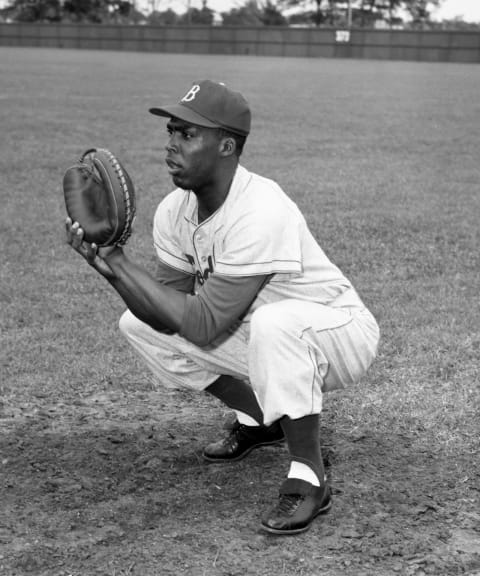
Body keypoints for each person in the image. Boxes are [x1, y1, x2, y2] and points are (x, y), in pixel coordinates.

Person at [66, 79, 380, 535]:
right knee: (137, 324)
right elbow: (165, 310)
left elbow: (205, 324)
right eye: (171, 131)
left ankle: (310, 477)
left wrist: (118, 259)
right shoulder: (175, 211)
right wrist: (108, 267)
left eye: (187, 134)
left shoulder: (261, 209)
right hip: (261, 333)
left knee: (276, 324)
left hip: (337, 332)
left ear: (227, 146)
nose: (171, 145)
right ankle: (260, 418)